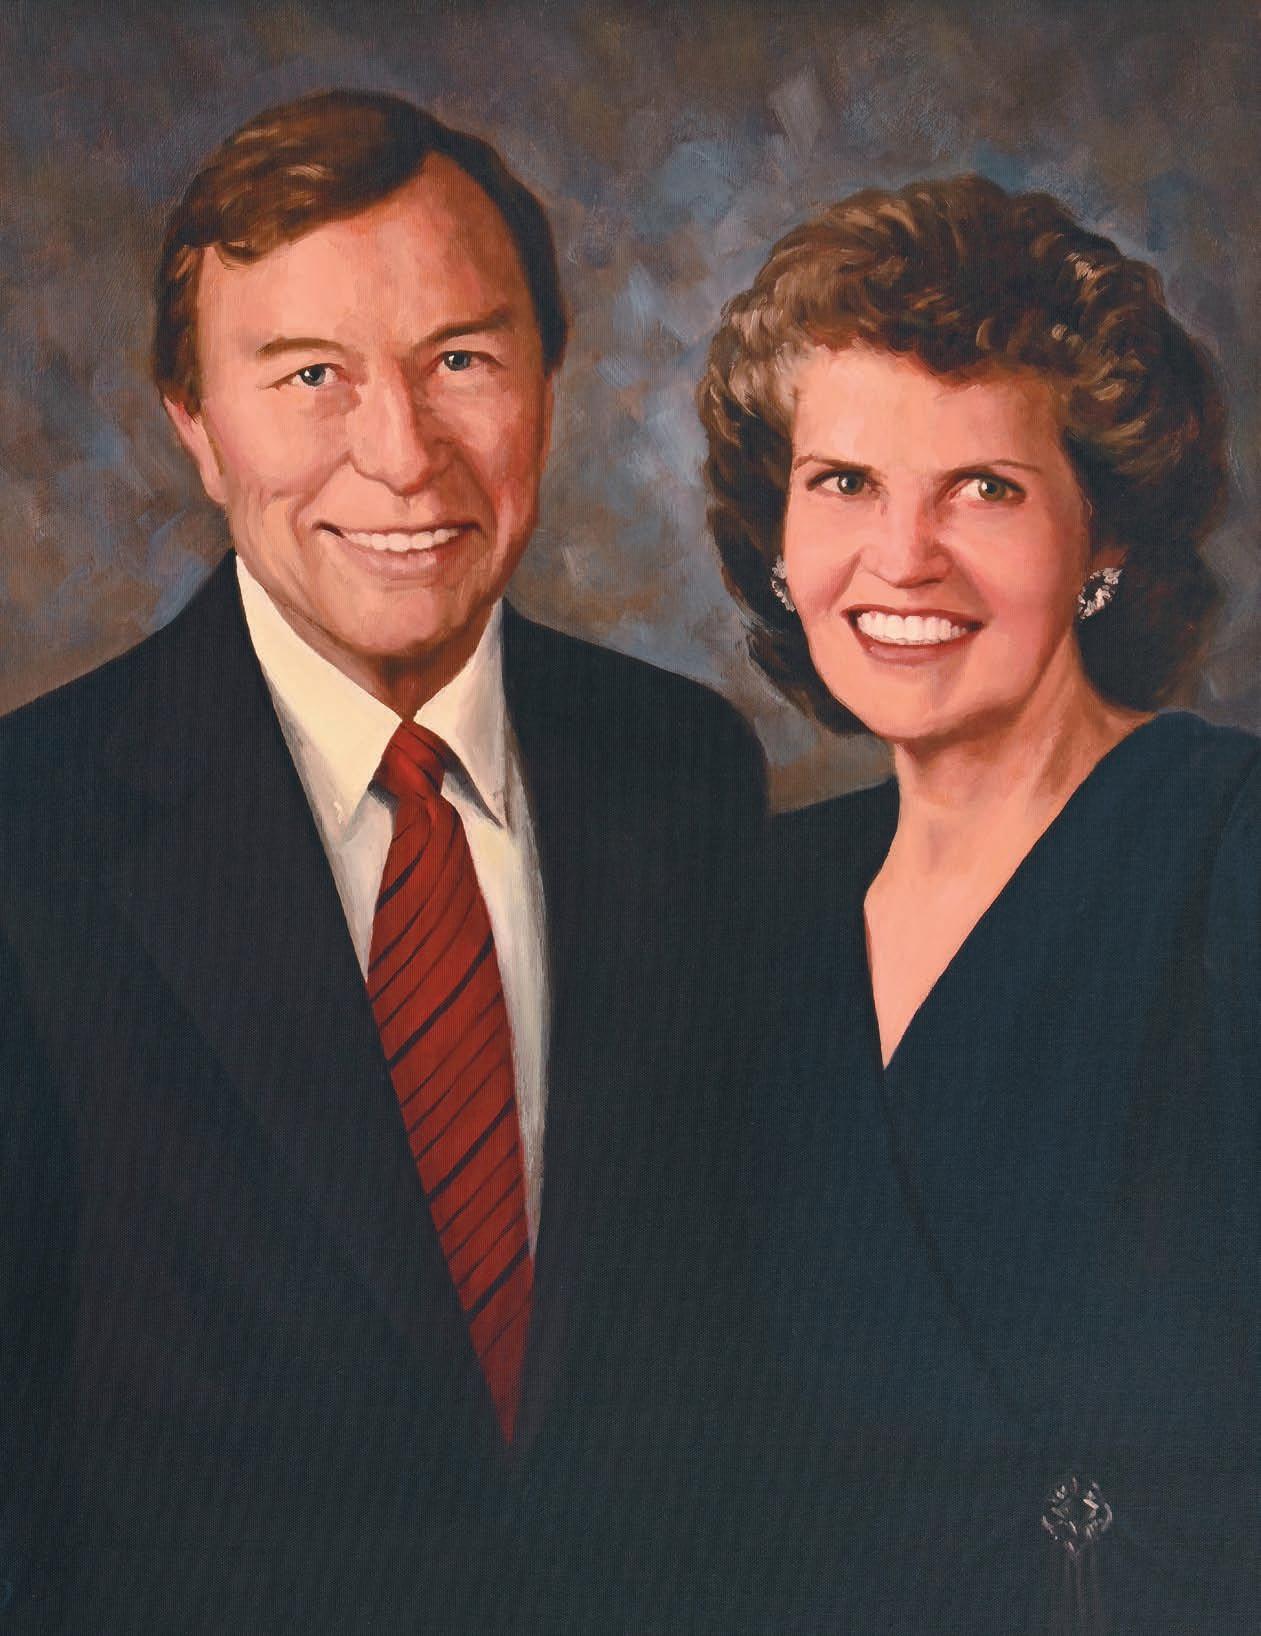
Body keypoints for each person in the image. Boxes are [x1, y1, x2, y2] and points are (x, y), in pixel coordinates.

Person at [0, 90, 766, 1634]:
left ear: (547, 381)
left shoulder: (683, 773)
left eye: (460, 361)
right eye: (311, 377)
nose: (404, 455)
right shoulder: (36, 831)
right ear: (193, 425)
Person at [699, 175, 1260, 1633]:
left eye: (984, 489)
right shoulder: (749, 910)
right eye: (844, 484)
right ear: (777, 535)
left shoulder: (1231, 853)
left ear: (1103, 541)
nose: (902, 557)